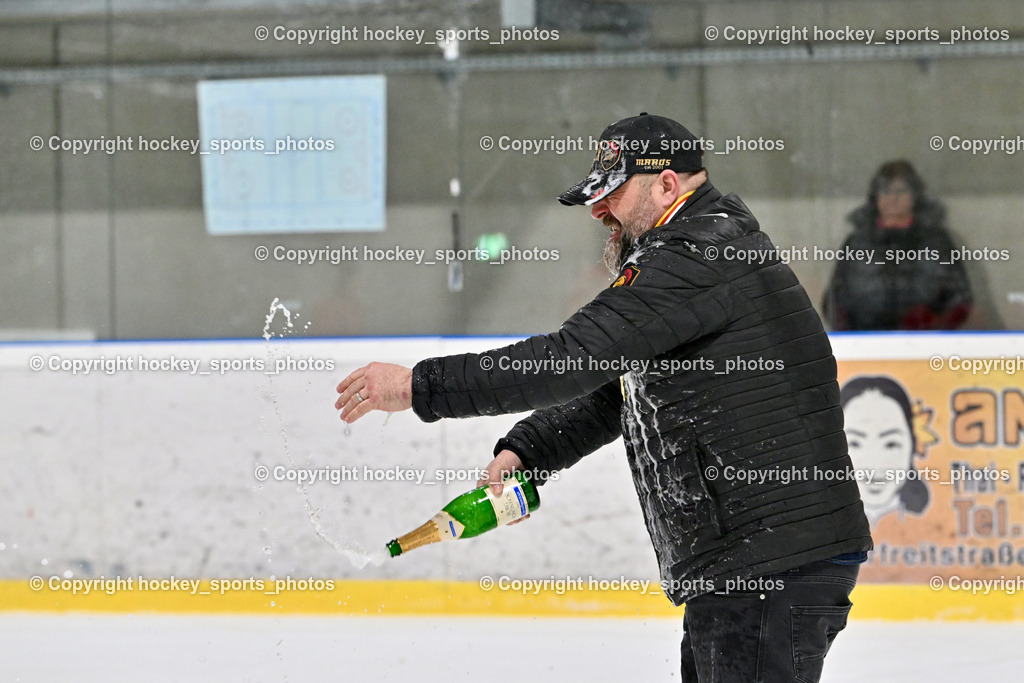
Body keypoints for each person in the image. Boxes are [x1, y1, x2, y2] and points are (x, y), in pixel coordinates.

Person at [335, 113, 873, 682]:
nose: (599, 210)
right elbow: (617, 389)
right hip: (760, 559)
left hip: (768, 561)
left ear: (667, 185)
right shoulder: (705, 251)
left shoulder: (695, 257)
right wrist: (531, 449)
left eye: (614, 192)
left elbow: (569, 359)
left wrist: (419, 385)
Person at [822, 160, 974, 330]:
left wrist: (932, 323)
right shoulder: (856, 243)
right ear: (875, 196)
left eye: (901, 191)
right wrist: (854, 338)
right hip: (864, 348)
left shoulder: (936, 241)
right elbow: (834, 302)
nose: (892, 198)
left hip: (928, 346)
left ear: (915, 195)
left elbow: (960, 300)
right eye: (885, 191)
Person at [841, 376, 930, 524]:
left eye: (891, 444)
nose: (873, 465)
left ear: (912, 445)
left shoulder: (927, 528)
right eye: (855, 444)